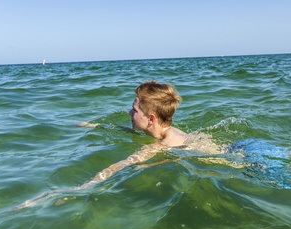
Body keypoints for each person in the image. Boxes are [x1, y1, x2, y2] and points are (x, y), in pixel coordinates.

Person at [14, 81, 194, 209]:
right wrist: (96, 125)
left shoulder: (157, 146)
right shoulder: (169, 130)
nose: (130, 112)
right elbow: (133, 131)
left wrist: (75, 191)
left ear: (152, 118)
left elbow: (118, 167)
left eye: (135, 110)